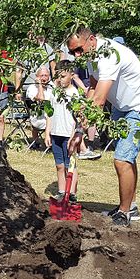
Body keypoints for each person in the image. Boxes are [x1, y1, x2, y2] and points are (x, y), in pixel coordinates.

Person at [67, 26, 140, 226]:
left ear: (91, 40)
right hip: (122, 106)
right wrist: (79, 129)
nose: (76, 55)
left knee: (122, 160)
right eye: (72, 52)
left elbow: (99, 101)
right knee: (128, 158)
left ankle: (124, 213)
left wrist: (80, 133)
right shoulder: (91, 56)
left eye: (79, 49)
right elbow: (92, 88)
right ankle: (131, 206)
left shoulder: (109, 55)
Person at [44, 60, 79, 202]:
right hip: (56, 133)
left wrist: (73, 136)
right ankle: (61, 190)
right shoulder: (54, 92)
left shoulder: (74, 94)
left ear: (71, 75)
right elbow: (49, 113)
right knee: (59, 164)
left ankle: (71, 193)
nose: (60, 80)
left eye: (63, 76)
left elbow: (77, 118)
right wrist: (47, 133)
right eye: (57, 77)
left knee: (70, 165)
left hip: (68, 135)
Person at [25, 66, 52, 149]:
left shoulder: (51, 87)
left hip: (50, 117)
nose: (44, 78)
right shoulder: (32, 88)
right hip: (38, 119)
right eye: (42, 76)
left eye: (46, 76)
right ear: (37, 77)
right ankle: (37, 142)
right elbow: (40, 99)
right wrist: (40, 85)